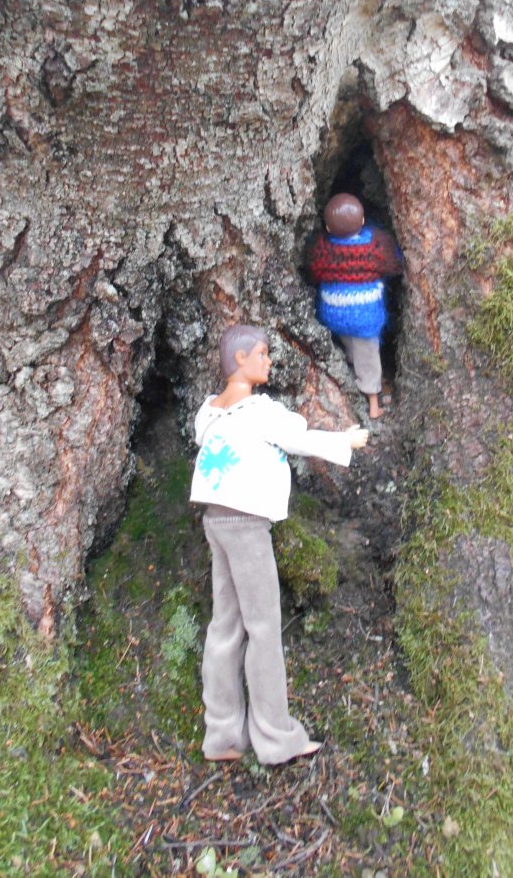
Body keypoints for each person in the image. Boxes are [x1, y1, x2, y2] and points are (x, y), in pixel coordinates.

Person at [190, 323, 368, 765]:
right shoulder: (260, 411)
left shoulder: (207, 412)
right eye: (262, 354)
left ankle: (222, 734)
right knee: (264, 629)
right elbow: (297, 438)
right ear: (240, 360)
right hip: (247, 523)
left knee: (225, 626)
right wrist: (343, 439)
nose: (268, 361)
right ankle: (274, 739)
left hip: (216, 519)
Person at [307, 193, 403, 419]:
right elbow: (394, 264)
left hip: (334, 315)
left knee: (350, 349)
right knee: (368, 359)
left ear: (328, 228)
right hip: (363, 319)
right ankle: (373, 404)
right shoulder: (374, 246)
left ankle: (353, 380)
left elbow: (313, 270)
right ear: (362, 222)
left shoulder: (323, 249)